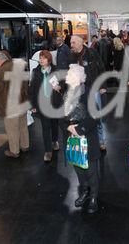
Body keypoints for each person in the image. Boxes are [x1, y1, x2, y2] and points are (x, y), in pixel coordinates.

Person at [64, 64, 100, 214]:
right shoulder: (67, 94)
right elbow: (61, 114)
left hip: (88, 137)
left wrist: (79, 130)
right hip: (73, 137)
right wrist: (69, 127)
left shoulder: (89, 94)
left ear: (78, 78)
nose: (66, 77)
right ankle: (84, 192)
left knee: (91, 170)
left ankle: (93, 196)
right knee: (78, 167)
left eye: (69, 75)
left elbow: (95, 117)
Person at [69, 35, 107, 150]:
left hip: (94, 89)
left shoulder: (92, 53)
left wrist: (103, 86)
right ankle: (85, 138)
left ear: (81, 42)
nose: (71, 45)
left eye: (73, 43)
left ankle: (101, 141)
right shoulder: (71, 56)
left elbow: (101, 69)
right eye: (71, 43)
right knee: (82, 116)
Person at [0, 52, 30, 158]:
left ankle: (14, 151)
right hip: (22, 101)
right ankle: (25, 146)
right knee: (23, 126)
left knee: (12, 129)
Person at [29, 50, 63, 162]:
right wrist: (32, 105)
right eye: (40, 58)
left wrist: (59, 87)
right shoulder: (35, 71)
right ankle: (48, 151)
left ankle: (54, 141)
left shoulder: (56, 70)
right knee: (45, 127)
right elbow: (32, 89)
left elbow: (64, 84)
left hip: (54, 103)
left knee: (54, 124)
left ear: (49, 59)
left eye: (43, 58)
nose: (41, 60)